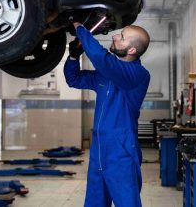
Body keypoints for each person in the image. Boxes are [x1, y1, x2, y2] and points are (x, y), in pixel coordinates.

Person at [64, 21, 150, 207]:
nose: (115, 36)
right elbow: (74, 79)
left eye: (122, 36)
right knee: (95, 202)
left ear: (132, 50)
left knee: (127, 203)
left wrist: (81, 30)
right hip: (99, 149)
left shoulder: (138, 74)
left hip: (121, 151)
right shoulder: (107, 74)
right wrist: (72, 57)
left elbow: (102, 59)